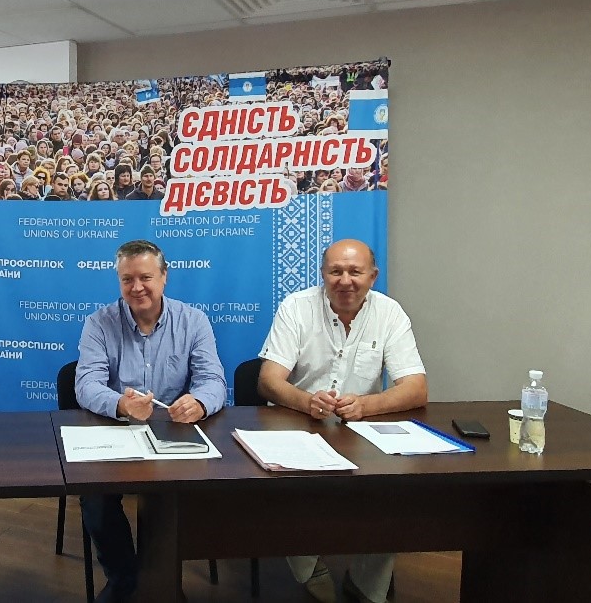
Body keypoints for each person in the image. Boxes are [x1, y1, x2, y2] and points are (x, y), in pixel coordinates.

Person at [257, 239, 428, 603]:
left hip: (361, 431)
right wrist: (306, 401)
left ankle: (366, 586)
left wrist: (366, 405)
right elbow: (268, 380)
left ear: (373, 276)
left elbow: (416, 388)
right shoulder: (297, 307)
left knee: (394, 493)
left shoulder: (390, 313)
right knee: (284, 490)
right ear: (323, 274)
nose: (345, 280)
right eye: (335, 271)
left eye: (355, 271)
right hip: (299, 425)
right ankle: (309, 569)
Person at [75, 240, 227, 603]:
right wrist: (121, 405)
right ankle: (124, 577)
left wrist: (199, 403)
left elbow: (213, 380)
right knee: (95, 496)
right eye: (127, 279)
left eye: (145, 277)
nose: (137, 287)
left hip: (173, 432)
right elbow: (86, 383)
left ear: (164, 277)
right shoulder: (99, 323)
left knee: (177, 493)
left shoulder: (193, 321)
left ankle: (163, 578)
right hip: (117, 431)